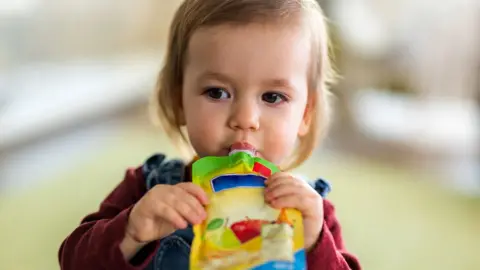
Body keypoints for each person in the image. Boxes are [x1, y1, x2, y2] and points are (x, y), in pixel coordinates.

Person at [58, 0, 361, 269]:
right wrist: (131, 232)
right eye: (217, 92)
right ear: (179, 101)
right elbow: (72, 261)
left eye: (272, 97)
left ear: (304, 114)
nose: (245, 120)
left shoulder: (310, 210)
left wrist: (313, 243)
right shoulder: (146, 188)